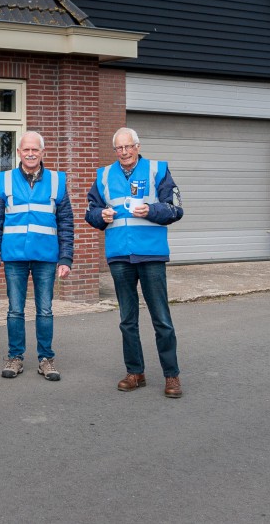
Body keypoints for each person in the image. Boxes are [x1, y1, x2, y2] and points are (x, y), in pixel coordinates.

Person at [85, 127, 185, 398]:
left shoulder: (157, 170)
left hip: (151, 254)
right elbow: (90, 211)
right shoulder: (104, 175)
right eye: (119, 148)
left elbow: (176, 209)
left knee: (161, 318)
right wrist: (100, 215)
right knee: (127, 320)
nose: (124, 152)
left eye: (128, 146)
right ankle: (135, 372)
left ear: (138, 147)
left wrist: (151, 210)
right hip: (119, 255)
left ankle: (171, 375)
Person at [0, 131, 74, 381]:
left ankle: (46, 359)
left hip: (46, 256)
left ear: (42, 152)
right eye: (26, 149)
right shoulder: (4, 180)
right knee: (15, 310)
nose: (31, 154)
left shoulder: (57, 180)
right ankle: (15, 357)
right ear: (19, 152)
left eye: (35, 149)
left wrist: (66, 258)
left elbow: (66, 222)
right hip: (14, 257)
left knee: (45, 310)